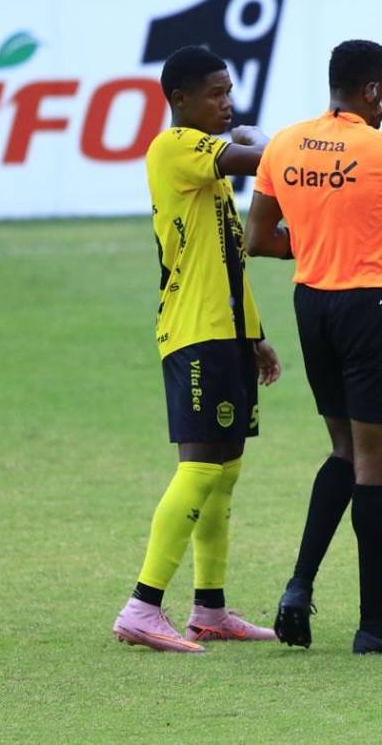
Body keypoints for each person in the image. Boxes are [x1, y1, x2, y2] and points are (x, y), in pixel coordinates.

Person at [247, 39, 382, 654]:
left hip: (312, 306)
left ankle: (299, 585)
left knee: (344, 450)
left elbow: (259, 237)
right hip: (371, 309)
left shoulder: (285, 144)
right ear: (371, 90)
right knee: (376, 466)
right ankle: (375, 624)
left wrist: (316, 238)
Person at [113, 45, 282, 654]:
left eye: (229, 91)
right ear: (180, 99)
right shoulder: (176, 146)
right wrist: (273, 141)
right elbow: (262, 158)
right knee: (201, 467)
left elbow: (227, 258)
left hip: (227, 335)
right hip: (196, 334)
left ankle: (209, 610)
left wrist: (254, 334)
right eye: (215, 93)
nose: (227, 102)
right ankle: (142, 606)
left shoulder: (208, 174)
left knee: (224, 473)